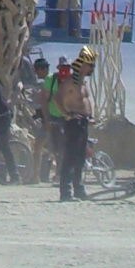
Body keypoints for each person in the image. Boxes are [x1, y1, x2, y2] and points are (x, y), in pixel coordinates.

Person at [53, 55, 95, 200]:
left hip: (83, 122)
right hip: (74, 122)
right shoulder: (71, 82)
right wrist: (67, 114)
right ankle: (65, 191)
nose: (92, 68)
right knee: (70, 157)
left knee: (81, 158)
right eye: (89, 65)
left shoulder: (83, 82)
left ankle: (79, 189)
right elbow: (57, 98)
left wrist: (90, 116)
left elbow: (85, 101)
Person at [20, 58, 55, 183]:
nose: (35, 73)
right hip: (49, 119)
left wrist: (47, 119)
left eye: (37, 70)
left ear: (43, 69)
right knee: (44, 148)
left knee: (40, 148)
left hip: (49, 119)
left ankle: (37, 177)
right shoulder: (48, 81)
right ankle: (38, 176)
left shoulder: (49, 82)